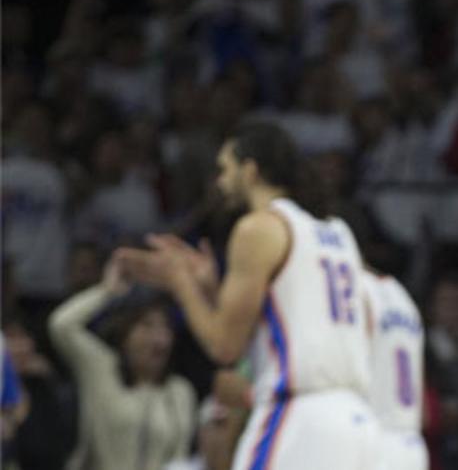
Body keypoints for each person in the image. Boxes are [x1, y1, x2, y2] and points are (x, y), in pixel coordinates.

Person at [117, 121, 380, 469]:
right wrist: (211, 290)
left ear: (251, 171)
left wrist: (179, 281)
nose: (220, 181)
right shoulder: (338, 232)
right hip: (355, 419)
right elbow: (290, 318)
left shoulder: (258, 227)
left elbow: (225, 346)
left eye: (226, 169)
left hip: (298, 415)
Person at [48, 256, 196, 470]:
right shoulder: (101, 368)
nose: (159, 338)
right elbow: (61, 325)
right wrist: (108, 290)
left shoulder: (180, 391)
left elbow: (179, 459)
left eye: (165, 328)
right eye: (147, 326)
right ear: (125, 335)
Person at [361, 267, 430, 470]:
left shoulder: (356, 289)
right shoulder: (404, 298)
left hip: (373, 438)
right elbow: (424, 410)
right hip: (411, 443)